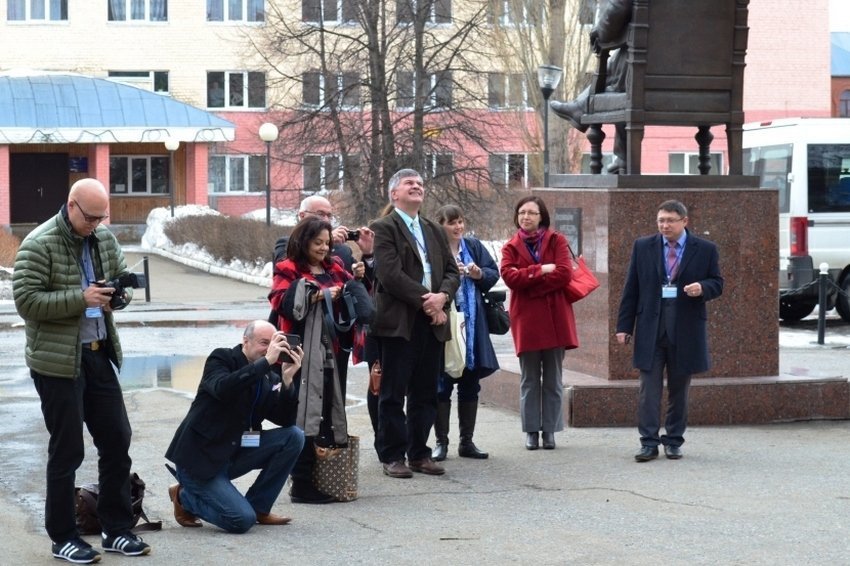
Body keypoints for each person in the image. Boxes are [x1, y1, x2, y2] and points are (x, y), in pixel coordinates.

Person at [12, 178, 151, 563]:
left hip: (97, 353)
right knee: (67, 450)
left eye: (101, 216)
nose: (95, 223)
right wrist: (81, 298)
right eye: (90, 217)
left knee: (117, 441)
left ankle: (117, 529)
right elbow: (26, 302)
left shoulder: (102, 239)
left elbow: (119, 283)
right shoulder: (39, 243)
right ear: (71, 206)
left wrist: (117, 295)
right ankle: (63, 537)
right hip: (57, 362)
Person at [164, 321, 305, 532]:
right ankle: (184, 497)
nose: (270, 349)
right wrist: (265, 362)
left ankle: (259, 507)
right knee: (240, 520)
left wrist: (287, 380)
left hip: (234, 453)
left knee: (294, 436)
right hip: (200, 461)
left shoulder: (269, 376)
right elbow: (223, 388)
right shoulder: (221, 358)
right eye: (264, 343)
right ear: (245, 341)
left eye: (274, 343)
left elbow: (285, 420)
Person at [615, 200, 723, 462]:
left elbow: (717, 282)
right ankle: (648, 442)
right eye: (661, 220)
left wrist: (703, 288)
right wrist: (623, 326)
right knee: (648, 390)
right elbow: (632, 288)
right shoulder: (643, 246)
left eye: (670, 220)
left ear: (684, 221)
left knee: (679, 390)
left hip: (685, 330)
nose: (664, 225)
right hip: (651, 330)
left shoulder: (705, 249)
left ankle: (674, 440)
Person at [370, 168, 460, 478]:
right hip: (400, 322)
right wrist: (429, 301)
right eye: (409, 183)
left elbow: (452, 271)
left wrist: (443, 298)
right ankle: (392, 455)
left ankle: (419, 453)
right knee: (393, 393)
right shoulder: (384, 227)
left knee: (426, 392)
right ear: (394, 193)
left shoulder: (434, 229)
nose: (417, 187)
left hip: (432, 323)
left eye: (420, 184)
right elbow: (390, 275)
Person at [269, 216, 356, 503]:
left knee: (324, 411)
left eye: (327, 243)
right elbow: (280, 302)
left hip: (329, 350)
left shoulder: (334, 267)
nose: (323, 248)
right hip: (299, 353)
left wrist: (358, 275)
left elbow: (352, 293)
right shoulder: (288, 268)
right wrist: (320, 295)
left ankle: (322, 477)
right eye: (317, 242)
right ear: (303, 241)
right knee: (302, 412)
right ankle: (301, 482)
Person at [273, 194, 373, 399]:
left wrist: (364, 263)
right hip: (301, 337)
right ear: (302, 215)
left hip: (335, 336)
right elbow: (286, 292)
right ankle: (304, 431)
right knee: (302, 393)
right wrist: (321, 294)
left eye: (329, 215)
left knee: (335, 390)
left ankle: (336, 430)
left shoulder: (339, 255)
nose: (324, 248)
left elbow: (356, 287)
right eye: (320, 214)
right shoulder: (286, 245)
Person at [500, 196, 577, 451]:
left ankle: (551, 431)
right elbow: (510, 277)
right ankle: (532, 431)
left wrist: (529, 282)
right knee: (530, 379)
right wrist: (542, 270)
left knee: (553, 379)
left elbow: (565, 273)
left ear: (541, 216)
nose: (526, 217)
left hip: (555, 318)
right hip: (527, 320)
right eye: (522, 212)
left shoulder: (557, 240)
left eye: (531, 212)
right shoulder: (510, 246)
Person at [431, 204, 500, 461]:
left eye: (460, 221)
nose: (458, 227)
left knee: (470, 382)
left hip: (472, 324)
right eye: (452, 223)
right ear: (441, 225)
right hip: (444, 322)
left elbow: (493, 274)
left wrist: (477, 273)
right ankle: (441, 442)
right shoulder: (433, 249)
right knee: (442, 383)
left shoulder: (473, 246)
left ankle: (466, 442)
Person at [549, 0, 632, 172]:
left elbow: (619, 8)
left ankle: (580, 107)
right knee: (622, 75)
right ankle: (622, 157)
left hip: (645, 72)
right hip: (696, 83)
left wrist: (598, 32)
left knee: (621, 82)